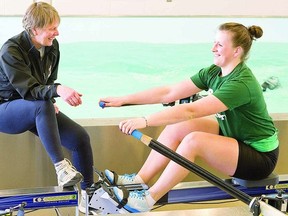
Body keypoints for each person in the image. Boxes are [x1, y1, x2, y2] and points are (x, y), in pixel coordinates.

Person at [99, 22, 279, 213]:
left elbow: (190, 110)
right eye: (214, 42)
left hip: (259, 157)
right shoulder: (213, 72)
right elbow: (169, 92)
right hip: (236, 136)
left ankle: (148, 199)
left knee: (194, 141)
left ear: (237, 51)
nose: (213, 48)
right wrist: (123, 99)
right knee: (180, 127)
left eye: (219, 45)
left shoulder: (241, 84)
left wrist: (144, 121)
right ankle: (139, 181)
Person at [0, 2, 93, 213]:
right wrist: (56, 92)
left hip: (35, 106)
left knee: (80, 137)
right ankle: (61, 168)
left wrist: (51, 100)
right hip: (5, 110)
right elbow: (30, 90)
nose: (56, 32)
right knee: (42, 104)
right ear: (35, 29)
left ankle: (89, 196)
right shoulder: (11, 50)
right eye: (52, 28)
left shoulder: (53, 46)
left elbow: (48, 80)